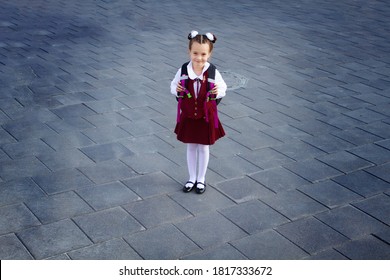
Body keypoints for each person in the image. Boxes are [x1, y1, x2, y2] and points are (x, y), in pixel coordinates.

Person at [170, 30, 227, 194]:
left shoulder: (212, 72)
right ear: (189, 51)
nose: (199, 58)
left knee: (203, 148)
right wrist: (177, 89)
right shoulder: (183, 70)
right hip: (188, 114)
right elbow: (173, 85)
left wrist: (217, 90)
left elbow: (223, 88)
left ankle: (201, 179)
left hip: (205, 116)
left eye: (203, 54)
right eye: (195, 53)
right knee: (191, 147)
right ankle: (191, 177)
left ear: (209, 54)